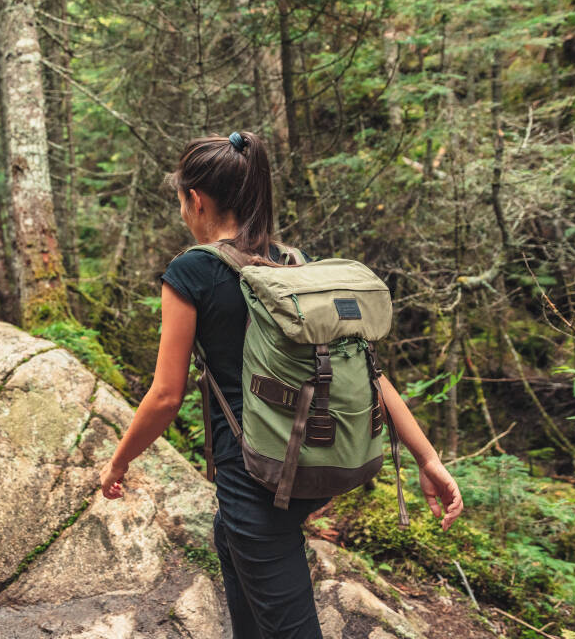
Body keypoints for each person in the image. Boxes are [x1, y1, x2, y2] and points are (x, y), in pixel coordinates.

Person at [97, 132, 463, 639]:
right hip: (307, 460)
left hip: (255, 477)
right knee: (232, 549)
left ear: (195, 199)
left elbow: (165, 395)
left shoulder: (191, 272)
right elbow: (369, 372)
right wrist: (427, 457)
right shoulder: (295, 265)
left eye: (182, 199)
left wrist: (119, 461)